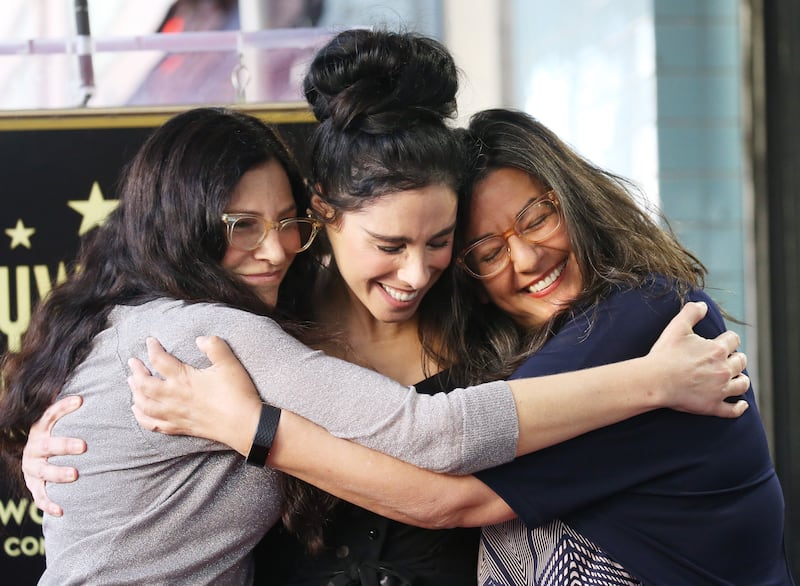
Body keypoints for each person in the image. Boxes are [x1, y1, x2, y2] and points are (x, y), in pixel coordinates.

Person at [1, 106, 747, 585]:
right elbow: (438, 442)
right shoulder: (224, 331)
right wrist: (655, 381)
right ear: (333, 219)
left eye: (446, 244)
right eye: (240, 225)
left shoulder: (518, 320)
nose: (271, 250)